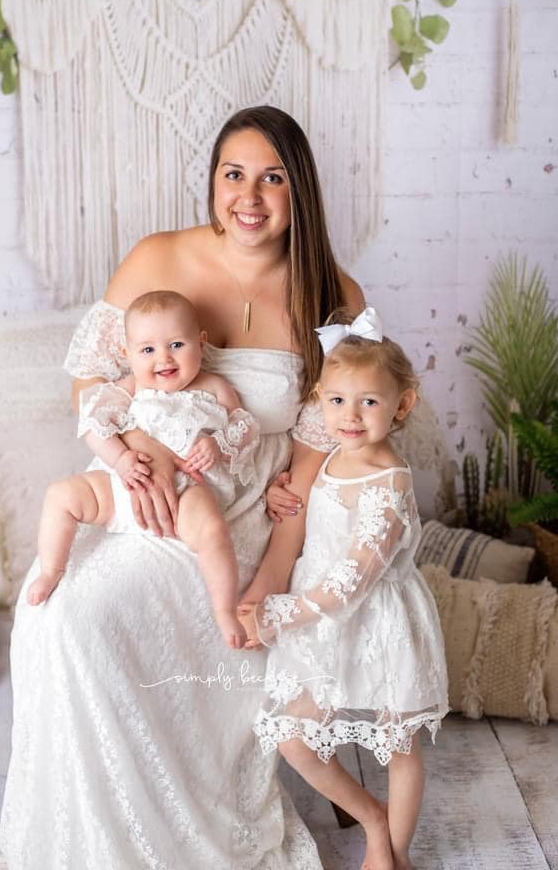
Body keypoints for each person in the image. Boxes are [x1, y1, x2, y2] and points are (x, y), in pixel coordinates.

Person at [0, 106, 366, 870]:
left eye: (272, 178)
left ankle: (175, 826)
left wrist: (278, 564)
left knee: (105, 617)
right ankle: (88, 835)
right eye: (234, 174)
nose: (249, 197)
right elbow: (92, 382)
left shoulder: (335, 296)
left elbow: (327, 444)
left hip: (246, 511)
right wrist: (136, 453)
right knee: (56, 612)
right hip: (138, 482)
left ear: (300, 190)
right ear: (213, 181)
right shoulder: (157, 257)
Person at [239, 307, 449, 870]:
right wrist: (278, 492)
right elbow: (306, 505)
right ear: (319, 401)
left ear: (402, 405)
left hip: (374, 619)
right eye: (336, 401)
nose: (350, 416)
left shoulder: (388, 483)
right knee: (293, 737)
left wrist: (279, 613)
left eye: (369, 402)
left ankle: (394, 854)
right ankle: (372, 816)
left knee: (398, 744)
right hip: (324, 624)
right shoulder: (333, 454)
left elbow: (351, 579)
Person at [28, 289, 260, 650]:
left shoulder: (215, 388)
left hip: (189, 489)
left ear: (201, 343)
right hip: (124, 484)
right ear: (128, 354)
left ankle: (224, 609)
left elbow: (246, 428)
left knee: (213, 531)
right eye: (147, 350)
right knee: (60, 495)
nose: (163, 358)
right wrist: (121, 459)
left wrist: (219, 443)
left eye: (177, 345)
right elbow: (93, 424)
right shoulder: (130, 388)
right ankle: (51, 569)